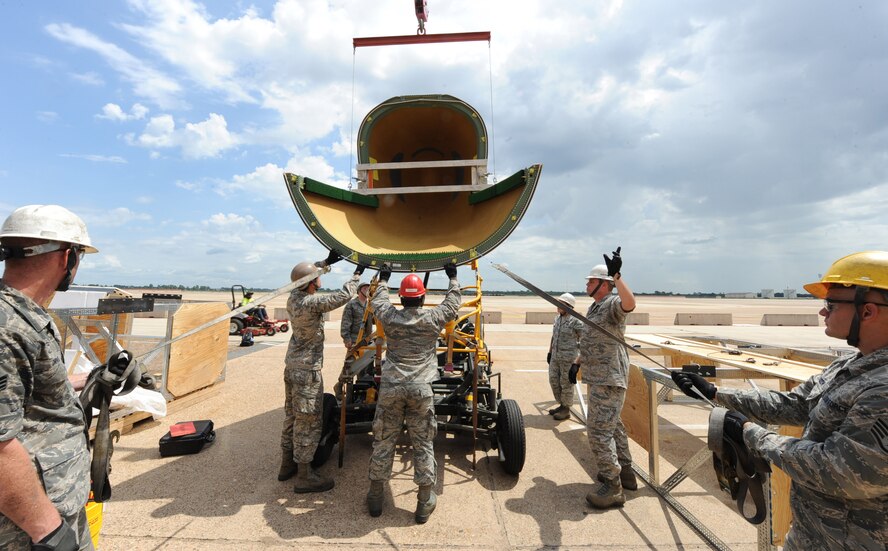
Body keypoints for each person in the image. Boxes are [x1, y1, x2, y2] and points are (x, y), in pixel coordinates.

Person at [672, 251, 888, 550]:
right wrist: (715, 394)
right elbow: (796, 404)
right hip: (812, 535)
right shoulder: (851, 365)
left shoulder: (883, 388)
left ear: (868, 312)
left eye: (831, 304)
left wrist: (752, 434)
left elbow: (845, 471)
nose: (823, 313)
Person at [0, 205, 99, 550]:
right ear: (67, 258)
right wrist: (48, 530)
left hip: (56, 504)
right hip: (27, 527)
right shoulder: (5, 327)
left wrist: (91, 381)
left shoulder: (25, 316)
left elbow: (24, 399)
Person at [365, 263, 461, 523]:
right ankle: (424, 501)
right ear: (423, 295)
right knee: (423, 444)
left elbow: (378, 300)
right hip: (421, 389)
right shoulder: (432, 319)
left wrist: (384, 278)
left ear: (402, 297)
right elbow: (453, 303)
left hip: (392, 387)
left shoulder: (390, 317)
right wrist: (452, 276)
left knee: (384, 441)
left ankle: (375, 497)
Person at [279, 250, 364, 492]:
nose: (320, 280)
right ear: (311, 283)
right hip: (307, 371)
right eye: (318, 277)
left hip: (292, 367)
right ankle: (305, 475)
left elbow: (302, 277)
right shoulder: (312, 303)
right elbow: (343, 295)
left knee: (292, 416)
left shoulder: (293, 298)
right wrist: (357, 273)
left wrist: (325, 263)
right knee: (309, 420)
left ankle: (286, 466)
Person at [573, 246, 638, 509]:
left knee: (598, 432)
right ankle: (626, 473)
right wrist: (577, 363)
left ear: (603, 284)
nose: (587, 284)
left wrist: (618, 276)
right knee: (614, 427)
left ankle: (612, 487)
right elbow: (590, 340)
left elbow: (630, 304)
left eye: (590, 281)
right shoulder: (594, 307)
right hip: (598, 376)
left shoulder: (611, 304)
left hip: (609, 377)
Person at [547, 293, 583, 421]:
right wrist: (550, 352)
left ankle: (566, 409)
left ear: (568, 306)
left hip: (568, 359)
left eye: (560, 303)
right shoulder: (557, 318)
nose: (557, 306)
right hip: (556, 357)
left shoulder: (576, 321)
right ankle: (561, 404)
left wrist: (578, 361)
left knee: (566, 383)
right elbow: (554, 336)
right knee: (553, 380)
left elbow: (585, 340)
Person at [341, 283, 371, 350]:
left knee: (368, 360)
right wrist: (347, 339)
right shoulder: (351, 304)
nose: (367, 290)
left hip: (367, 340)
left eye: (368, 289)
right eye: (365, 288)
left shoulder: (370, 305)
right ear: (359, 291)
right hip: (355, 340)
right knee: (354, 359)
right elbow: (345, 323)